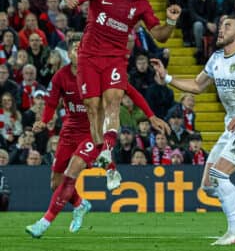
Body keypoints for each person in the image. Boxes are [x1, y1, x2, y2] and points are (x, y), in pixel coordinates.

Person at [25, 38, 169, 238]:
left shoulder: (101, 73)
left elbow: (132, 92)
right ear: (69, 54)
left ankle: (44, 222)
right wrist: (45, 120)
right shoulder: (61, 76)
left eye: (82, 47)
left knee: (72, 171)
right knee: (55, 183)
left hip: (93, 132)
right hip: (69, 131)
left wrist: (151, 116)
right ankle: (80, 204)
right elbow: (51, 103)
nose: (79, 51)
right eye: (75, 48)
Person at [151, 16, 235, 246]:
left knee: (220, 175)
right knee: (208, 185)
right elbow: (197, 86)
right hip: (233, 125)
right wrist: (166, 77)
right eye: (220, 25)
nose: (221, 28)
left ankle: (234, 231)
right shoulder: (216, 58)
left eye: (227, 26)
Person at [59, 0, 181, 187]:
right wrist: (67, 3)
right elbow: (70, 1)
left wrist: (172, 21)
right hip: (88, 57)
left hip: (115, 58)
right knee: (93, 108)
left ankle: (106, 150)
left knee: (113, 102)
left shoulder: (141, 4)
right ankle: (109, 164)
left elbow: (160, 35)